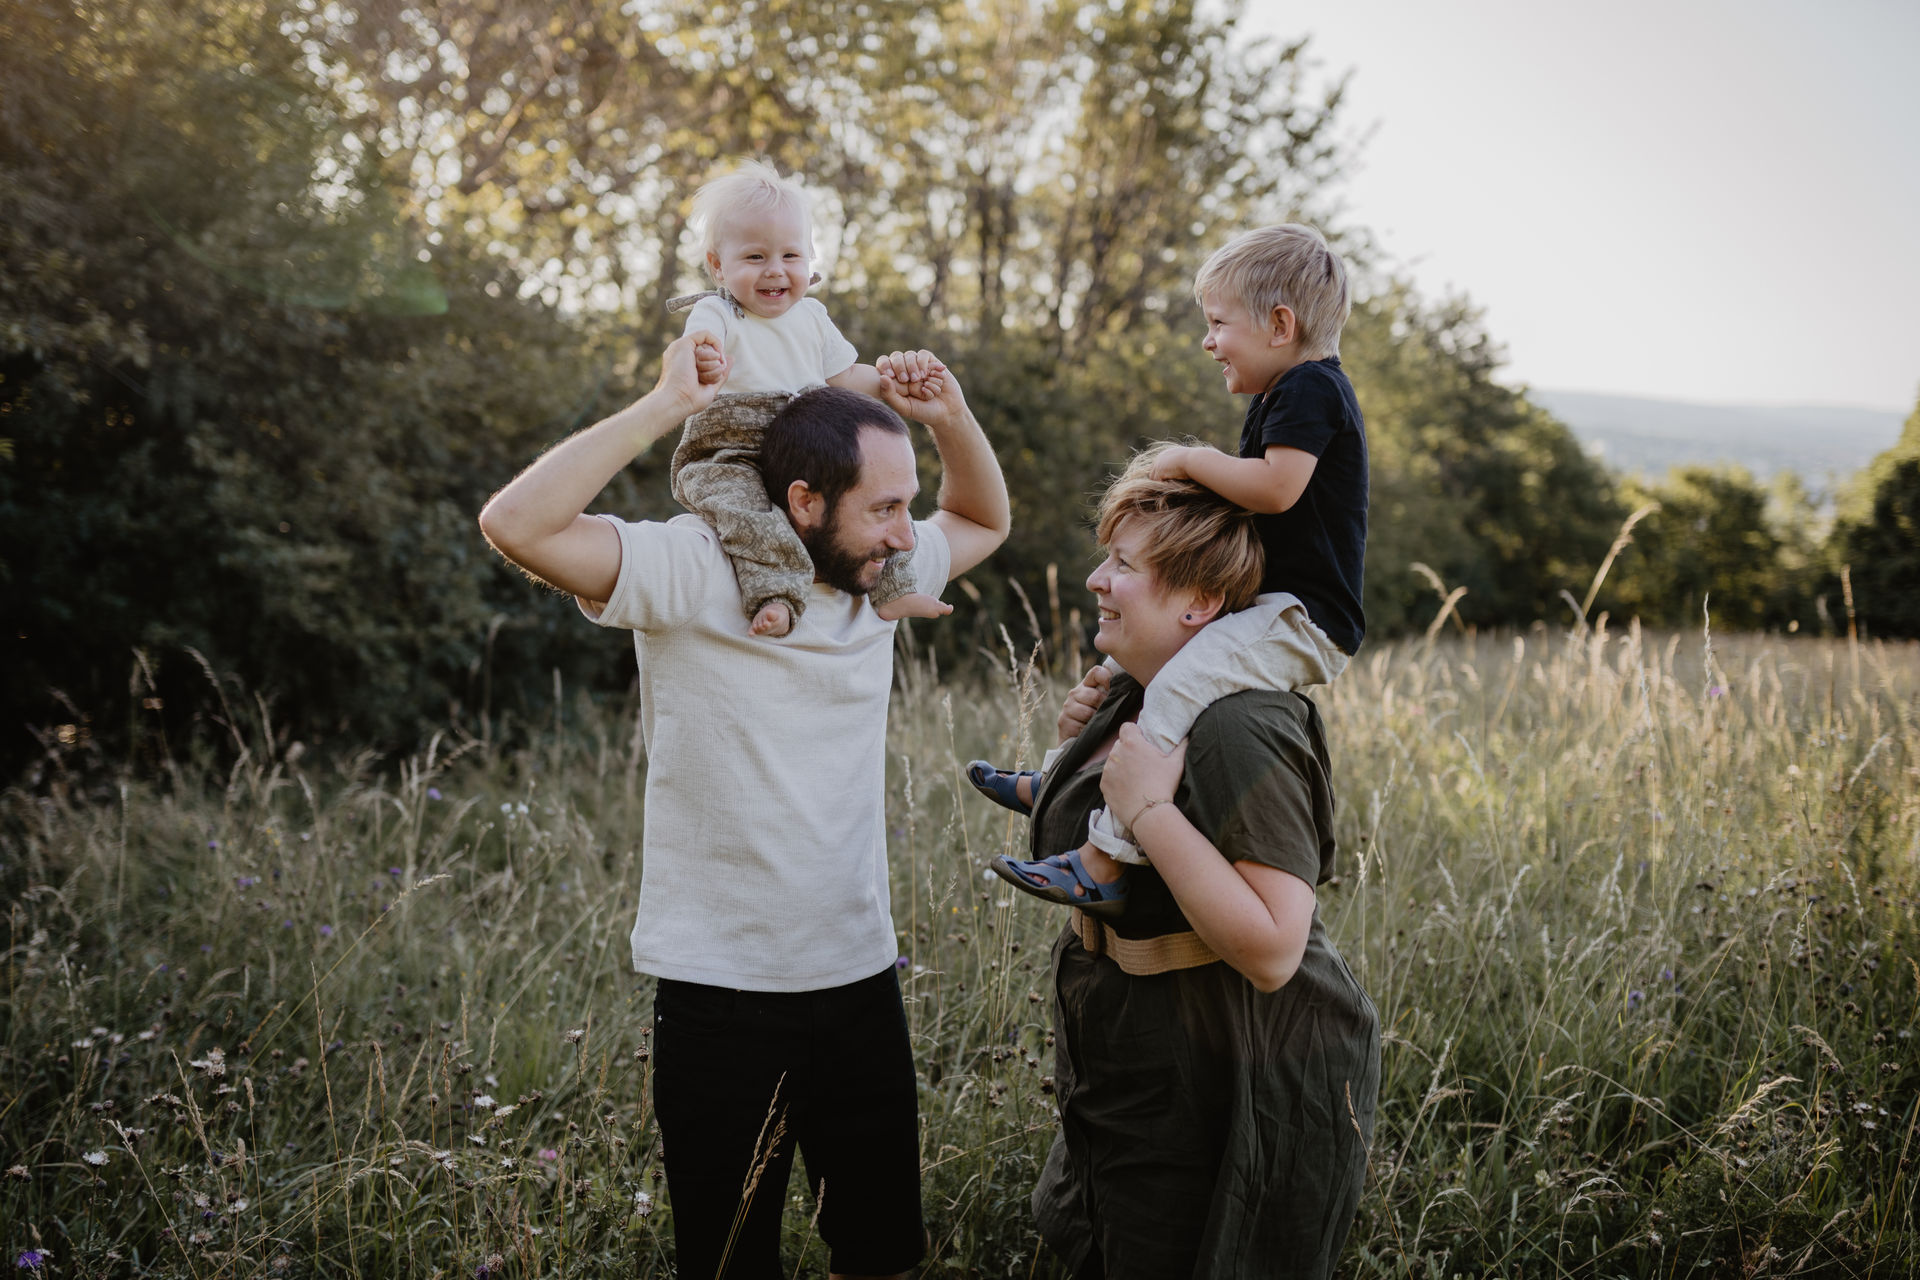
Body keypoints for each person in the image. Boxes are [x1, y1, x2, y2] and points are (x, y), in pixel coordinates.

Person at [477, 336, 1010, 1280]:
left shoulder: (878, 583)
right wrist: (661, 406)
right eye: (885, 507)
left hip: (856, 976)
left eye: (905, 509)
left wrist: (952, 418)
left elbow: (980, 518)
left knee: (883, 1254)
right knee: (728, 1263)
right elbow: (517, 522)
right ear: (804, 502)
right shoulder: (695, 567)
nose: (904, 532)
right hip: (721, 995)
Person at [998, 447, 1379, 1278]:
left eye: (1123, 565)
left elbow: (1277, 949)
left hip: (1235, 1081)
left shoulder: (1242, 726)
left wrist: (1148, 812)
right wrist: (1074, 758)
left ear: (1202, 604)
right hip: (1130, 1059)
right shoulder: (1143, 691)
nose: (1098, 580)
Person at [971, 223, 1367, 915]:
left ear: (1280, 324)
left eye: (1218, 324)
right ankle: (1060, 777)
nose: (1208, 341)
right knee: (1128, 674)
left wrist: (1189, 459)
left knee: (1178, 684)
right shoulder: (1281, 395)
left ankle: (1102, 860)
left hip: (1305, 618)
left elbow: (1274, 489)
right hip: (1270, 605)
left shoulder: (1311, 389)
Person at [667, 158, 949, 637]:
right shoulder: (718, 311)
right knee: (747, 514)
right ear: (718, 264)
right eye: (755, 258)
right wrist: (705, 359)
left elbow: (843, 376)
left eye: (791, 257)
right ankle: (775, 595)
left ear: (810, 259)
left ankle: (896, 588)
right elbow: (698, 347)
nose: (775, 271)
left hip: (807, 445)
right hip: (732, 447)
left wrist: (891, 381)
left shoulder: (812, 317)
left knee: (876, 503)